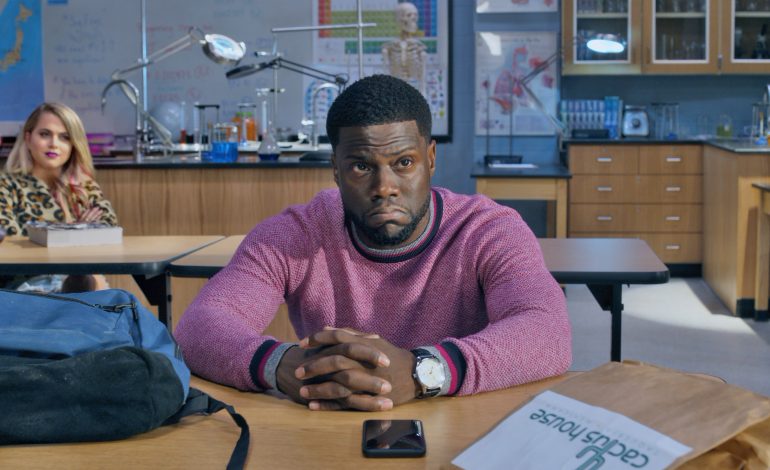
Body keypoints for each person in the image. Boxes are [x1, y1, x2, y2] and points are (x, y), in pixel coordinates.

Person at [175, 75, 571, 412]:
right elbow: (199, 326)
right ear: (335, 169)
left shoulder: (487, 230)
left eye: (404, 163)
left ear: (431, 159)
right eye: (362, 166)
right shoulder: (294, 234)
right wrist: (281, 364)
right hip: (328, 429)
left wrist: (422, 371)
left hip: (458, 426)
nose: (385, 187)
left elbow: (548, 331)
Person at [0, 102, 118, 292]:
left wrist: (48, 235)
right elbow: (9, 242)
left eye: (64, 137)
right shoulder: (6, 185)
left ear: (73, 145)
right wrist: (77, 231)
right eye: (45, 134)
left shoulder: (84, 186)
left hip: (83, 281)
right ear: (28, 138)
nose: (54, 143)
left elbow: (107, 229)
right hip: (25, 286)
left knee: (118, 300)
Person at [381, 2, 427, 93]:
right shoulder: (389, 47)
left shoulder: (419, 47)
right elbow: (386, 71)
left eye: (415, 16)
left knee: (423, 55)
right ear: (399, 19)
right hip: (394, 90)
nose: (413, 19)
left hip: (414, 89)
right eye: (409, 15)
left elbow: (422, 78)